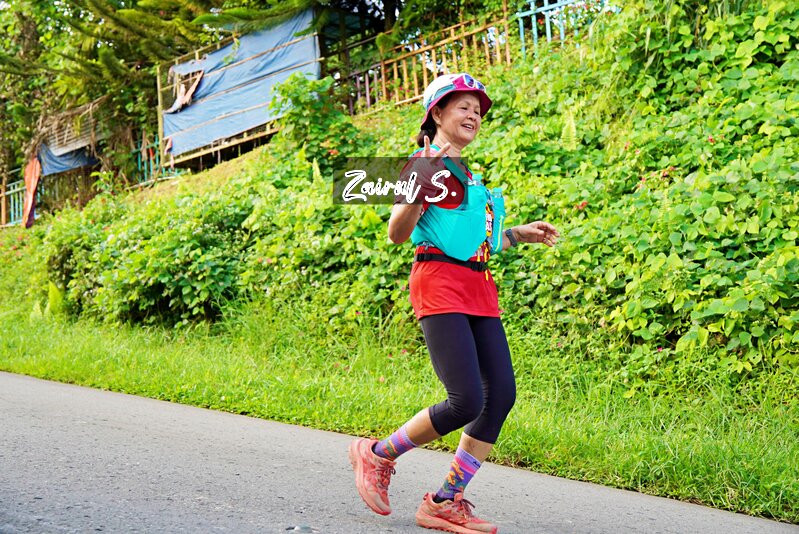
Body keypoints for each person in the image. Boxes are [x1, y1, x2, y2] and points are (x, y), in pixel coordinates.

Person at [348, 72, 560, 534]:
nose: (473, 115)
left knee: (500, 395)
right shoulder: (424, 164)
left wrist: (516, 234)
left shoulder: (468, 175)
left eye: (478, 111)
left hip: (478, 287)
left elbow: (468, 241)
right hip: (440, 284)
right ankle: (378, 454)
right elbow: (397, 232)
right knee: (465, 400)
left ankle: (446, 500)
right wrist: (418, 184)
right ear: (438, 113)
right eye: (462, 106)